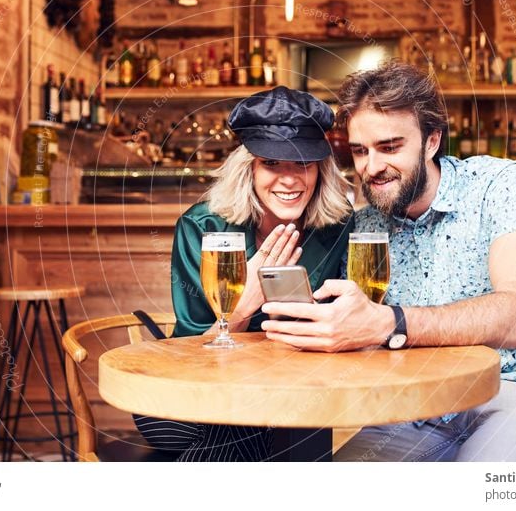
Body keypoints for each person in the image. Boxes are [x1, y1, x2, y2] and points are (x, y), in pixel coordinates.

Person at [260, 62, 516, 462]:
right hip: (415, 407)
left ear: (431, 141)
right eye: (360, 151)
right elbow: (354, 330)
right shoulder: (367, 224)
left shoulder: (500, 185)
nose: (372, 167)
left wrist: (389, 323)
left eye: (390, 147)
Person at [134, 86, 354, 461]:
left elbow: (347, 334)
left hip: (299, 394)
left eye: (302, 163)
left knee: (257, 434)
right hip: (206, 388)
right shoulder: (203, 228)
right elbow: (189, 357)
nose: (289, 179)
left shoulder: (339, 230)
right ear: (248, 167)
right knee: (185, 421)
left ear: (321, 168)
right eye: (271, 163)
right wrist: (243, 304)